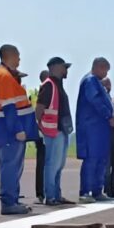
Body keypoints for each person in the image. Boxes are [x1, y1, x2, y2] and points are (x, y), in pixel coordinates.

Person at [0, 44, 39, 215]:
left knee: (14, 167)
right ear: (9, 56)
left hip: (9, 132)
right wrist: (17, 129)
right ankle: (9, 203)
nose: (19, 59)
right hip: (10, 133)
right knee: (10, 167)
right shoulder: (3, 76)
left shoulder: (6, 76)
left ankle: (13, 200)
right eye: (18, 55)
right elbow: (9, 107)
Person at [76, 57, 114, 203]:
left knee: (101, 159)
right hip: (91, 126)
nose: (106, 74)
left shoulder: (97, 82)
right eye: (105, 70)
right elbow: (95, 101)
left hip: (100, 127)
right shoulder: (90, 81)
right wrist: (108, 115)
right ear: (99, 67)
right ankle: (85, 192)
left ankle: (97, 190)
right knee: (92, 158)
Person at [34, 58, 73, 206]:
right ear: (56, 67)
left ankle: (56, 194)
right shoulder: (49, 86)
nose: (66, 71)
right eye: (65, 67)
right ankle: (50, 196)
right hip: (53, 132)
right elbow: (39, 110)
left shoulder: (58, 85)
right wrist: (40, 129)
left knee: (58, 165)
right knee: (52, 164)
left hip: (61, 131)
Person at [28, 70, 49, 203]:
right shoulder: (38, 92)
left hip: (48, 131)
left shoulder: (36, 92)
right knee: (42, 163)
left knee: (49, 163)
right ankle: (41, 193)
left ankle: (46, 191)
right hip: (41, 132)